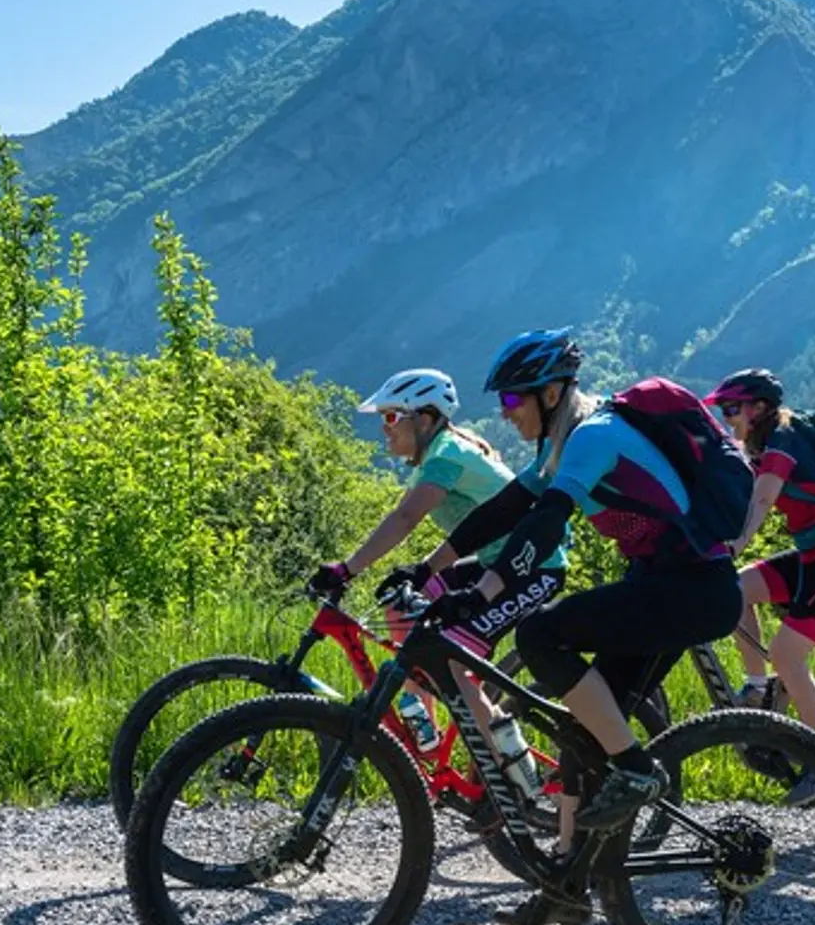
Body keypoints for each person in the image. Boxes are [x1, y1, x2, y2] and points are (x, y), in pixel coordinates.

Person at [416, 328, 744, 925]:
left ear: (550, 394)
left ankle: (638, 770)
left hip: (692, 589)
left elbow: (546, 523)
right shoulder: (563, 444)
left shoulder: (593, 437)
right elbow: (504, 510)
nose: (505, 413)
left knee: (540, 634)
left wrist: (482, 592)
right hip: (667, 586)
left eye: (512, 399)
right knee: (582, 734)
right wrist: (431, 570)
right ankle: (566, 894)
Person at [304, 367, 567, 768]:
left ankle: (518, 774)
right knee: (400, 602)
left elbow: (406, 518)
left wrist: (347, 568)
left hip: (533, 568)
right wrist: (413, 572)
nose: (384, 427)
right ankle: (423, 727)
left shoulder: (446, 454)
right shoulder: (440, 452)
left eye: (391, 416)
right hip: (492, 563)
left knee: (454, 667)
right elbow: (413, 521)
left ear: (425, 419)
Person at [705, 368, 815, 808]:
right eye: (723, 411)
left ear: (760, 408)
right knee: (737, 590)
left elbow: (762, 499)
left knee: (786, 654)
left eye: (732, 409)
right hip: (813, 557)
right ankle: (757, 687)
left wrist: (735, 545)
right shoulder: (761, 447)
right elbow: (736, 499)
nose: (728, 418)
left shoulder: (784, 439)